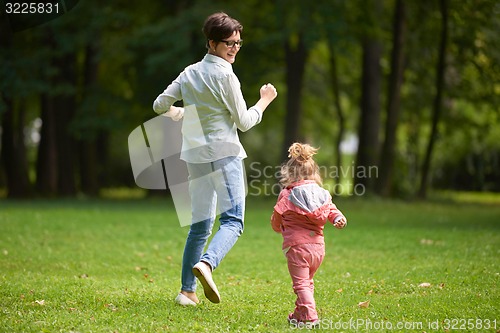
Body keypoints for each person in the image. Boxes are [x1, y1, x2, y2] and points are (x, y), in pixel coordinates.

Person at [153, 12, 278, 306]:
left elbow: (160, 105)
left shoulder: (189, 72)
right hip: (224, 153)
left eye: (238, 42)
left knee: (200, 226)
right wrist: (265, 100)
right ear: (212, 42)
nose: (234, 48)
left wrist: (181, 113)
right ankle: (207, 264)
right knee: (233, 221)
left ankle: (186, 292)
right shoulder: (226, 76)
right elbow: (245, 122)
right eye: (228, 43)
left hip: (195, 155)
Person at [271, 142, 347, 326]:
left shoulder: (287, 194)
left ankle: (310, 316)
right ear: (314, 174)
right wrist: (338, 217)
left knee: (301, 284)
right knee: (307, 282)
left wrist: (277, 226)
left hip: (297, 247)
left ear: (289, 174)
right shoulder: (322, 194)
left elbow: (277, 217)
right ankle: (299, 315)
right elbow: (332, 210)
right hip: (318, 248)